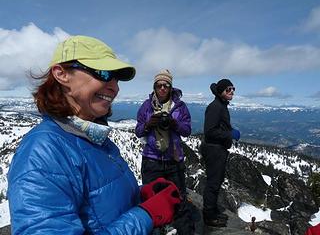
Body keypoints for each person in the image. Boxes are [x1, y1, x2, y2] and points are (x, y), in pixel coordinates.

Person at [7, 35, 181, 235]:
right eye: (104, 73)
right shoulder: (42, 153)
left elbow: (97, 206)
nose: (115, 87)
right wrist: (145, 215)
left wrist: (140, 196)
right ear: (61, 74)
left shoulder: (93, 137)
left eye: (116, 78)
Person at [135, 69, 194, 234]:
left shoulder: (179, 107)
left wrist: (174, 123)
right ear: (154, 87)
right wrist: (148, 124)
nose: (162, 88)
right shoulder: (146, 107)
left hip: (173, 160)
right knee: (152, 200)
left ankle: (185, 231)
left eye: (166, 85)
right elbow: (138, 131)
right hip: (152, 160)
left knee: (179, 199)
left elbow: (187, 130)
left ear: (170, 87)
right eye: (159, 85)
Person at [201, 78, 240, 227]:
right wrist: (229, 134)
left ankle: (213, 211)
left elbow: (219, 127)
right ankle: (209, 216)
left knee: (216, 181)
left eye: (233, 89)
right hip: (213, 149)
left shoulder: (221, 105)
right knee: (213, 182)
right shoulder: (215, 107)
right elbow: (209, 131)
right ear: (221, 92)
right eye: (228, 89)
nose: (232, 92)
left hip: (218, 149)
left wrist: (229, 131)